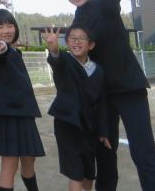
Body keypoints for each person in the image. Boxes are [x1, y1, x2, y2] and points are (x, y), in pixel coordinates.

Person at [62, 0, 155, 191]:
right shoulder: (77, 22)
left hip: (129, 89)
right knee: (105, 153)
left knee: (143, 151)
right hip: (102, 97)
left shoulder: (104, 6)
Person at [44, 24, 111, 191]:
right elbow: (56, 60)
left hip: (89, 127)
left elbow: (102, 103)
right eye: (72, 38)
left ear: (91, 44)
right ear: (67, 42)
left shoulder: (98, 71)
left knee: (88, 172)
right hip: (67, 124)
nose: (76, 41)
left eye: (81, 38)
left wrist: (103, 131)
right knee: (75, 173)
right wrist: (54, 49)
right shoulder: (65, 61)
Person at [0, 9, 44, 191]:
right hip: (7, 114)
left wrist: (7, 49)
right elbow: (0, 54)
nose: (6, 30)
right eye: (0, 27)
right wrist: (2, 48)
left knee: (29, 160)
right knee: (10, 165)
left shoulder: (15, 51)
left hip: (23, 113)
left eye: (9, 26)